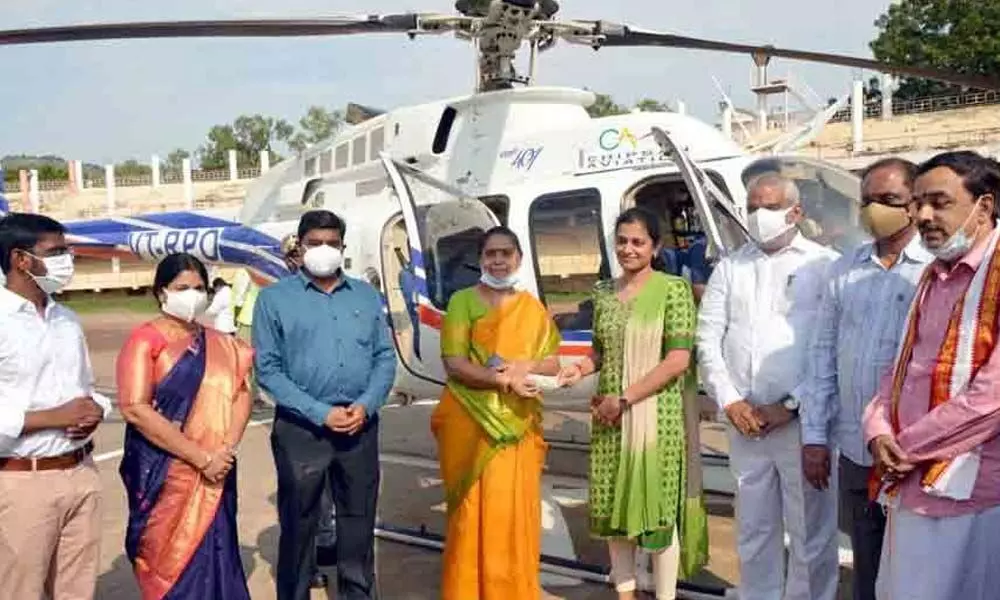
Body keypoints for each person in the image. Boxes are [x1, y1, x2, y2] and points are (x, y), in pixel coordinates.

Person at [863, 151, 1000, 600]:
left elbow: (990, 399)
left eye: (938, 202)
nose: (922, 215)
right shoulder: (933, 275)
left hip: (966, 489)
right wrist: (877, 429)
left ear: (984, 205)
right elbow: (900, 368)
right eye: (918, 203)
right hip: (907, 478)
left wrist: (905, 445)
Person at [696, 174, 840, 600]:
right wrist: (730, 400)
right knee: (754, 527)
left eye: (769, 207)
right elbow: (708, 337)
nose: (759, 216)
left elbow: (828, 348)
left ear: (795, 212)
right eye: (752, 207)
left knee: (809, 529)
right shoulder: (730, 266)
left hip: (803, 423)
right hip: (745, 423)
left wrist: (792, 405)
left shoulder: (824, 264)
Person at [558, 207, 708, 600]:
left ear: (655, 247)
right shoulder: (604, 292)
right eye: (622, 241)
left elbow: (678, 360)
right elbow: (601, 353)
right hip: (609, 418)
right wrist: (580, 368)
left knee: (658, 516)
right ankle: (624, 594)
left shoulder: (673, 289)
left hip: (655, 419)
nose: (628, 249)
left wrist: (624, 399)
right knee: (614, 513)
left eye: (638, 242)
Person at [801, 158, 931, 600]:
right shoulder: (845, 269)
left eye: (889, 200)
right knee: (868, 562)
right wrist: (815, 436)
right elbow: (823, 356)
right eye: (868, 201)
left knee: (919, 567)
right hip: (857, 450)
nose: (876, 209)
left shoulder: (933, 270)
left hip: (913, 452)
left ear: (915, 206)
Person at [253, 210, 395, 600]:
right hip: (302, 430)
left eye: (332, 243)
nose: (324, 250)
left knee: (358, 523)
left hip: (359, 427)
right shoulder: (273, 300)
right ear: (299, 247)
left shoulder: (366, 297)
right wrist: (320, 413)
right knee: (300, 524)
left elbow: (384, 357)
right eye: (315, 243)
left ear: (343, 248)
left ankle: (357, 594)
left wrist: (366, 405)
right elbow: (268, 370)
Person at [431, 226, 561, 599]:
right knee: (472, 513)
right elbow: (453, 362)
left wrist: (525, 365)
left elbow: (551, 363)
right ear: (481, 259)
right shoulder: (462, 302)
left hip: (517, 425)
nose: (499, 260)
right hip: (471, 424)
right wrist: (502, 382)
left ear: (518, 258)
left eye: (507, 253)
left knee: (513, 515)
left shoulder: (531, 308)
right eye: (491, 254)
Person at [116, 253, 254, 599]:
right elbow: (135, 408)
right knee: (171, 563)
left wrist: (224, 451)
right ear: (162, 292)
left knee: (219, 553)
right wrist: (200, 458)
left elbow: (241, 393)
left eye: (199, 288)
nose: (192, 295)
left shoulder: (222, 343)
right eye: (182, 288)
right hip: (168, 474)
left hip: (217, 469)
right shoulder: (146, 340)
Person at [0, 213, 111, 600]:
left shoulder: (67, 320)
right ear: (21, 259)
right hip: (22, 481)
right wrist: (51, 419)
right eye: (56, 251)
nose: (68, 259)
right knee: (21, 590)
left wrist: (96, 410)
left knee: (77, 590)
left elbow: (88, 390)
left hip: (79, 471)